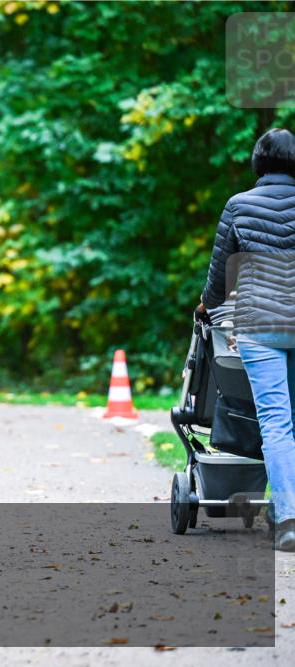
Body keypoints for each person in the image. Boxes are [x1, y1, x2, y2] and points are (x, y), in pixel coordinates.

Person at [198, 127, 295, 551]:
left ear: (259, 163)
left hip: (259, 325)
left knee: (277, 422)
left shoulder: (239, 205)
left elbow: (220, 276)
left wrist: (206, 305)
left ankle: (288, 518)